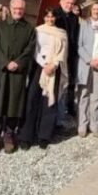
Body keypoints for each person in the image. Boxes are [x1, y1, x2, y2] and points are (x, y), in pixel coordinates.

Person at [0, 0, 36, 155]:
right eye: (15, 8)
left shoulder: (29, 28)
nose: (18, 11)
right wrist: (5, 62)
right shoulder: (0, 26)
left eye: (21, 8)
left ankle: (9, 134)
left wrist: (18, 63)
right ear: (10, 8)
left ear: (24, 9)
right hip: (2, 71)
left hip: (18, 72)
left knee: (14, 102)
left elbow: (29, 49)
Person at [20, 8, 69, 151]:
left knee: (49, 101)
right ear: (44, 17)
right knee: (32, 100)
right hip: (39, 67)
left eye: (52, 17)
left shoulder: (62, 33)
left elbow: (63, 52)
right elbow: (35, 50)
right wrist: (44, 64)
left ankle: (44, 136)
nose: (50, 19)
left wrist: (53, 65)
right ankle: (26, 136)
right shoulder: (38, 30)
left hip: (55, 69)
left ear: (56, 18)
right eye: (47, 16)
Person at [77, 2, 98, 138]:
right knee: (84, 95)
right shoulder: (84, 25)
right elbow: (79, 45)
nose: (96, 11)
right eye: (94, 9)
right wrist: (89, 60)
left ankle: (95, 124)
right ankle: (82, 125)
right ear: (90, 11)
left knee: (96, 97)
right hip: (86, 64)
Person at [53, 0, 80, 125]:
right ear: (61, 1)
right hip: (57, 56)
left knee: (69, 84)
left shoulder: (74, 18)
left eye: (72, 3)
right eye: (67, 3)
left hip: (71, 56)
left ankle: (67, 111)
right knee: (56, 86)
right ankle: (54, 117)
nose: (69, 6)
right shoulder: (54, 15)